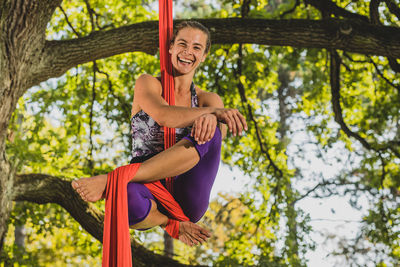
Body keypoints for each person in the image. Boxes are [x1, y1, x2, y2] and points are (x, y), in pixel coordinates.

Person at [72, 21, 248, 247]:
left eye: (196, 47)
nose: (188, 52)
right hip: (147, 183)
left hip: (188, 190)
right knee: (122, 199)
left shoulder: (208, 100)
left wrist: (211, 115)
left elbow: (214, 144)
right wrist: (214, 112)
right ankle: (170, 222)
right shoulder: (148, 83)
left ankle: (114, 178)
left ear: (204, 55)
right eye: (182, 44)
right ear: (170, 48)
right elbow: (165, 115)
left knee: (210, 129)